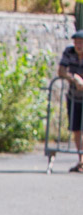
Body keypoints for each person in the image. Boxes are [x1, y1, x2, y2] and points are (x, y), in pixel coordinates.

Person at [58, 29, 83, 172]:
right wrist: (75, 79)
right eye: (76, 42)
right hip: (74, 96)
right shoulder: (69, 52)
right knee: (76, 129)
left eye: (81, 43)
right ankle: (81, 161)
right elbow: (61, 71)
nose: (78, 45)